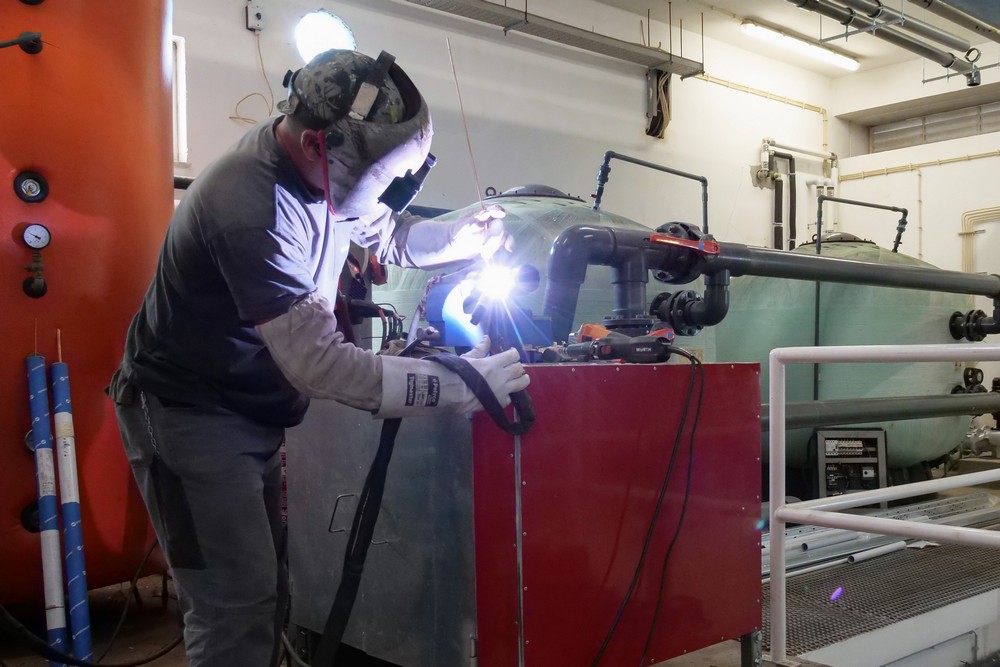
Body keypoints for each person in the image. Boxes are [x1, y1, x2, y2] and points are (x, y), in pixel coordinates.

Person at [108, 48, 529, 666]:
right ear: (312, 142)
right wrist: (459, 383)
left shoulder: (327, 171)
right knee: (234, 606)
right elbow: (319, 363)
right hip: (187, 411)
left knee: (272, 591)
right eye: (380, 178)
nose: (383, 194)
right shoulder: (251, 208)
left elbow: (382, 232)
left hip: (249, 405)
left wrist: (460, 236)